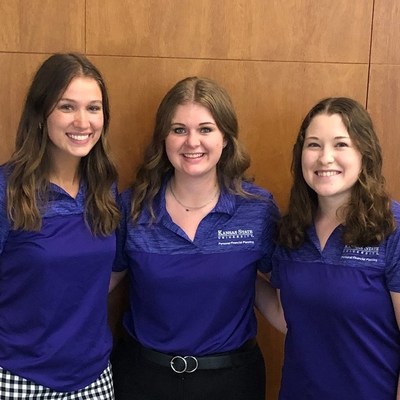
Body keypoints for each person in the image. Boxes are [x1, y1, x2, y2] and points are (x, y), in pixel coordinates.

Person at [110, 76, 279, 400]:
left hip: (232, 382)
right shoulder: (132, 208)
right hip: (143, 379)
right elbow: (102, 281)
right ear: (163, 138)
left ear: (226, 137)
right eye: (179, 130)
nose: (192, 142)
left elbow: (290, 291)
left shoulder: (256, 210)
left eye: (205, 129)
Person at [257, 97, 400, 399]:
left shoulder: (392, 229)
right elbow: (288, 317)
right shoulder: (292, 229)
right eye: (314, 145)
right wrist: (236, 269)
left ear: (365, 153)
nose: (325, 158)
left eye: (340, 144)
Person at [0, 53, 120, 399]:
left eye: (93, 108)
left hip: (93, 379)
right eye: (67, 107)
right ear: (41, 115)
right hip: (17, 379)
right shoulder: (8, 190)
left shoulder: (105, 188)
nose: (83, 121)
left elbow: (107, 273)